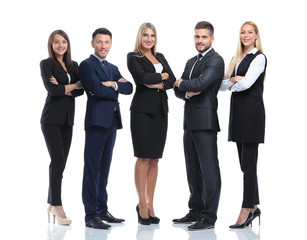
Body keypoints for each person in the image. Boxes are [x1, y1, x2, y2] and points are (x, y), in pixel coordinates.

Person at [79, 28, 133, 230]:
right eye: (99, 42)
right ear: (92, 43)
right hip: (96, 122)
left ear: (111, 44)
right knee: (92, 168)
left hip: (111, 122)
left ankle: (102, 210)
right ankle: (90, 215)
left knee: (104, 168)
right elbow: (95, 89)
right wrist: (112, 87)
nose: (103, 46)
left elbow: (129, 88)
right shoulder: (86, 65)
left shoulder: (113, 67)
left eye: (106, 42)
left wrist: (112, 85)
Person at [173, 21, 224, 231]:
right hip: (189, 122)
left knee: (209, 170)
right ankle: (195, 209)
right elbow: (177, 90)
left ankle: (209, 216)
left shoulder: (216, 60)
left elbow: (202, 84)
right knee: (193, 169)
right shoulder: (190, 61)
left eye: (204, 37)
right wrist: (184, 90)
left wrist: (181, 83)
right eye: (197, 37)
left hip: (205, 122)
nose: (200, 41)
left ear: (212, 38)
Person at [127, 22, 176, 225]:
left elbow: (172, 79)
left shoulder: (161, 56)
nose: (149, 39)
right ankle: (142, 204)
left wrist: (156, 82)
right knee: (143, 158)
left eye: (152, 35)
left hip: (160, 112)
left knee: (155, 159)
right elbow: (141, 77)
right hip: (142, 112)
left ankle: (150, 203)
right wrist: (160, 78)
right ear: (140, 37)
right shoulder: (133, 57)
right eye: (145, 35)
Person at [220, 21, 266, 228]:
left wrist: (234, 81)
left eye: (249, 32)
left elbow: (246, 84)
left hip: (252, 115)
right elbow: (222, 85)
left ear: (256, 35)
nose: (245, 35)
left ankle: (247, 208)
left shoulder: (260, 58)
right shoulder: (236, 58)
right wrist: (233, 80)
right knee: (245, 164)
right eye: (242, 32)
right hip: (238, 114)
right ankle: (255, 206)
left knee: (249, 164)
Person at [40, 30, 84, 225]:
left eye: (63, 42)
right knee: (57, 160)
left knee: (61, 162)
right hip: (51, 119)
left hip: (68, 119)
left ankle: (51, 202)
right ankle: (57, 205)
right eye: (56, 42)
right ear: (51, 45)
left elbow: (81, 90)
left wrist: (67, 88)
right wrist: (72, 86)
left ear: (68, 44)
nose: (60, 45)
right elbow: (52, 90)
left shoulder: (74, 66)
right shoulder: (47, 64)